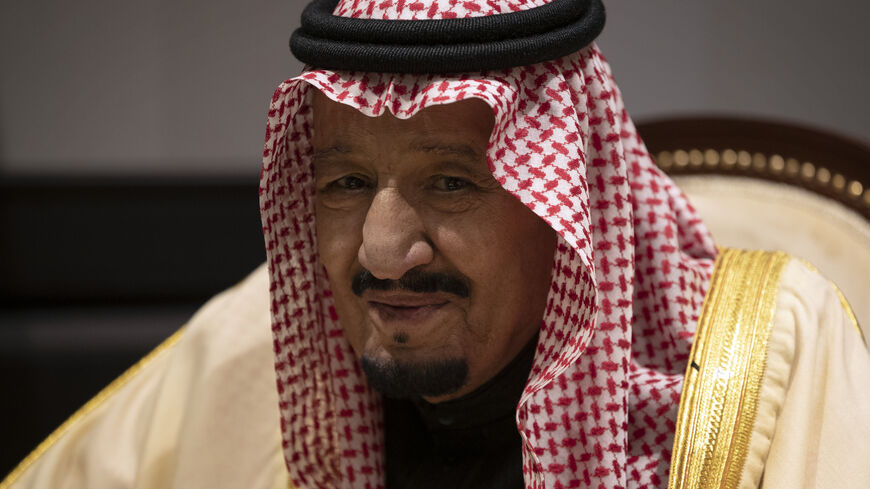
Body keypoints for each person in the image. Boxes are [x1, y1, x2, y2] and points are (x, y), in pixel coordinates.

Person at [2, 0, 869, 488]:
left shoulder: (763, 364)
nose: (382, 253)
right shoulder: (253, 351)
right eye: (344, 182)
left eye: (451, 182)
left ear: (564, 204)